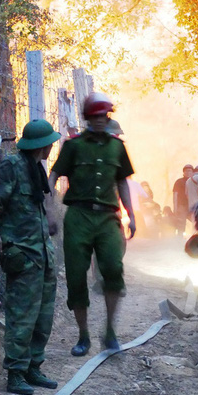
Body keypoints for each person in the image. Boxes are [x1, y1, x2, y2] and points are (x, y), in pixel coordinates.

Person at [49, 92, 136, 356]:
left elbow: (122, 181)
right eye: (96, 116)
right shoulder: (73, 146)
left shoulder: (117, 146)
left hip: (108, 216)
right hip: (78, 215)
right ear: (88, 117)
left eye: (104, 116)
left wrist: (131, 213)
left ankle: (110, 331)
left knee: (112, 267)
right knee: (76, 276)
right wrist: (49, 211)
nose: (100, 120)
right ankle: (83, 335)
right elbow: (53, 174)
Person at [0, 119, 61, 395]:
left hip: (42, 255)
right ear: (41, 145)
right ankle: (16, 372)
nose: (51, 147)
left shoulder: (36, 168)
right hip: (22, 254)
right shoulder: (11, 167)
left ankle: (34, 366)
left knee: (43, 316)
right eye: (49, 143)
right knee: (21, 316)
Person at [171, 164, 193, 236]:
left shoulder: (195, 181)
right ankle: (179, 240)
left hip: (192, 206)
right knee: (181, 224)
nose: (188, 172)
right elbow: (175, 194)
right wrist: (175, 208)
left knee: (196, 223)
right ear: (183, 172)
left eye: (190, 171)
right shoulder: (179, 181)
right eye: (186, 171)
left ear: (192, 172)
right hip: (182, 206)